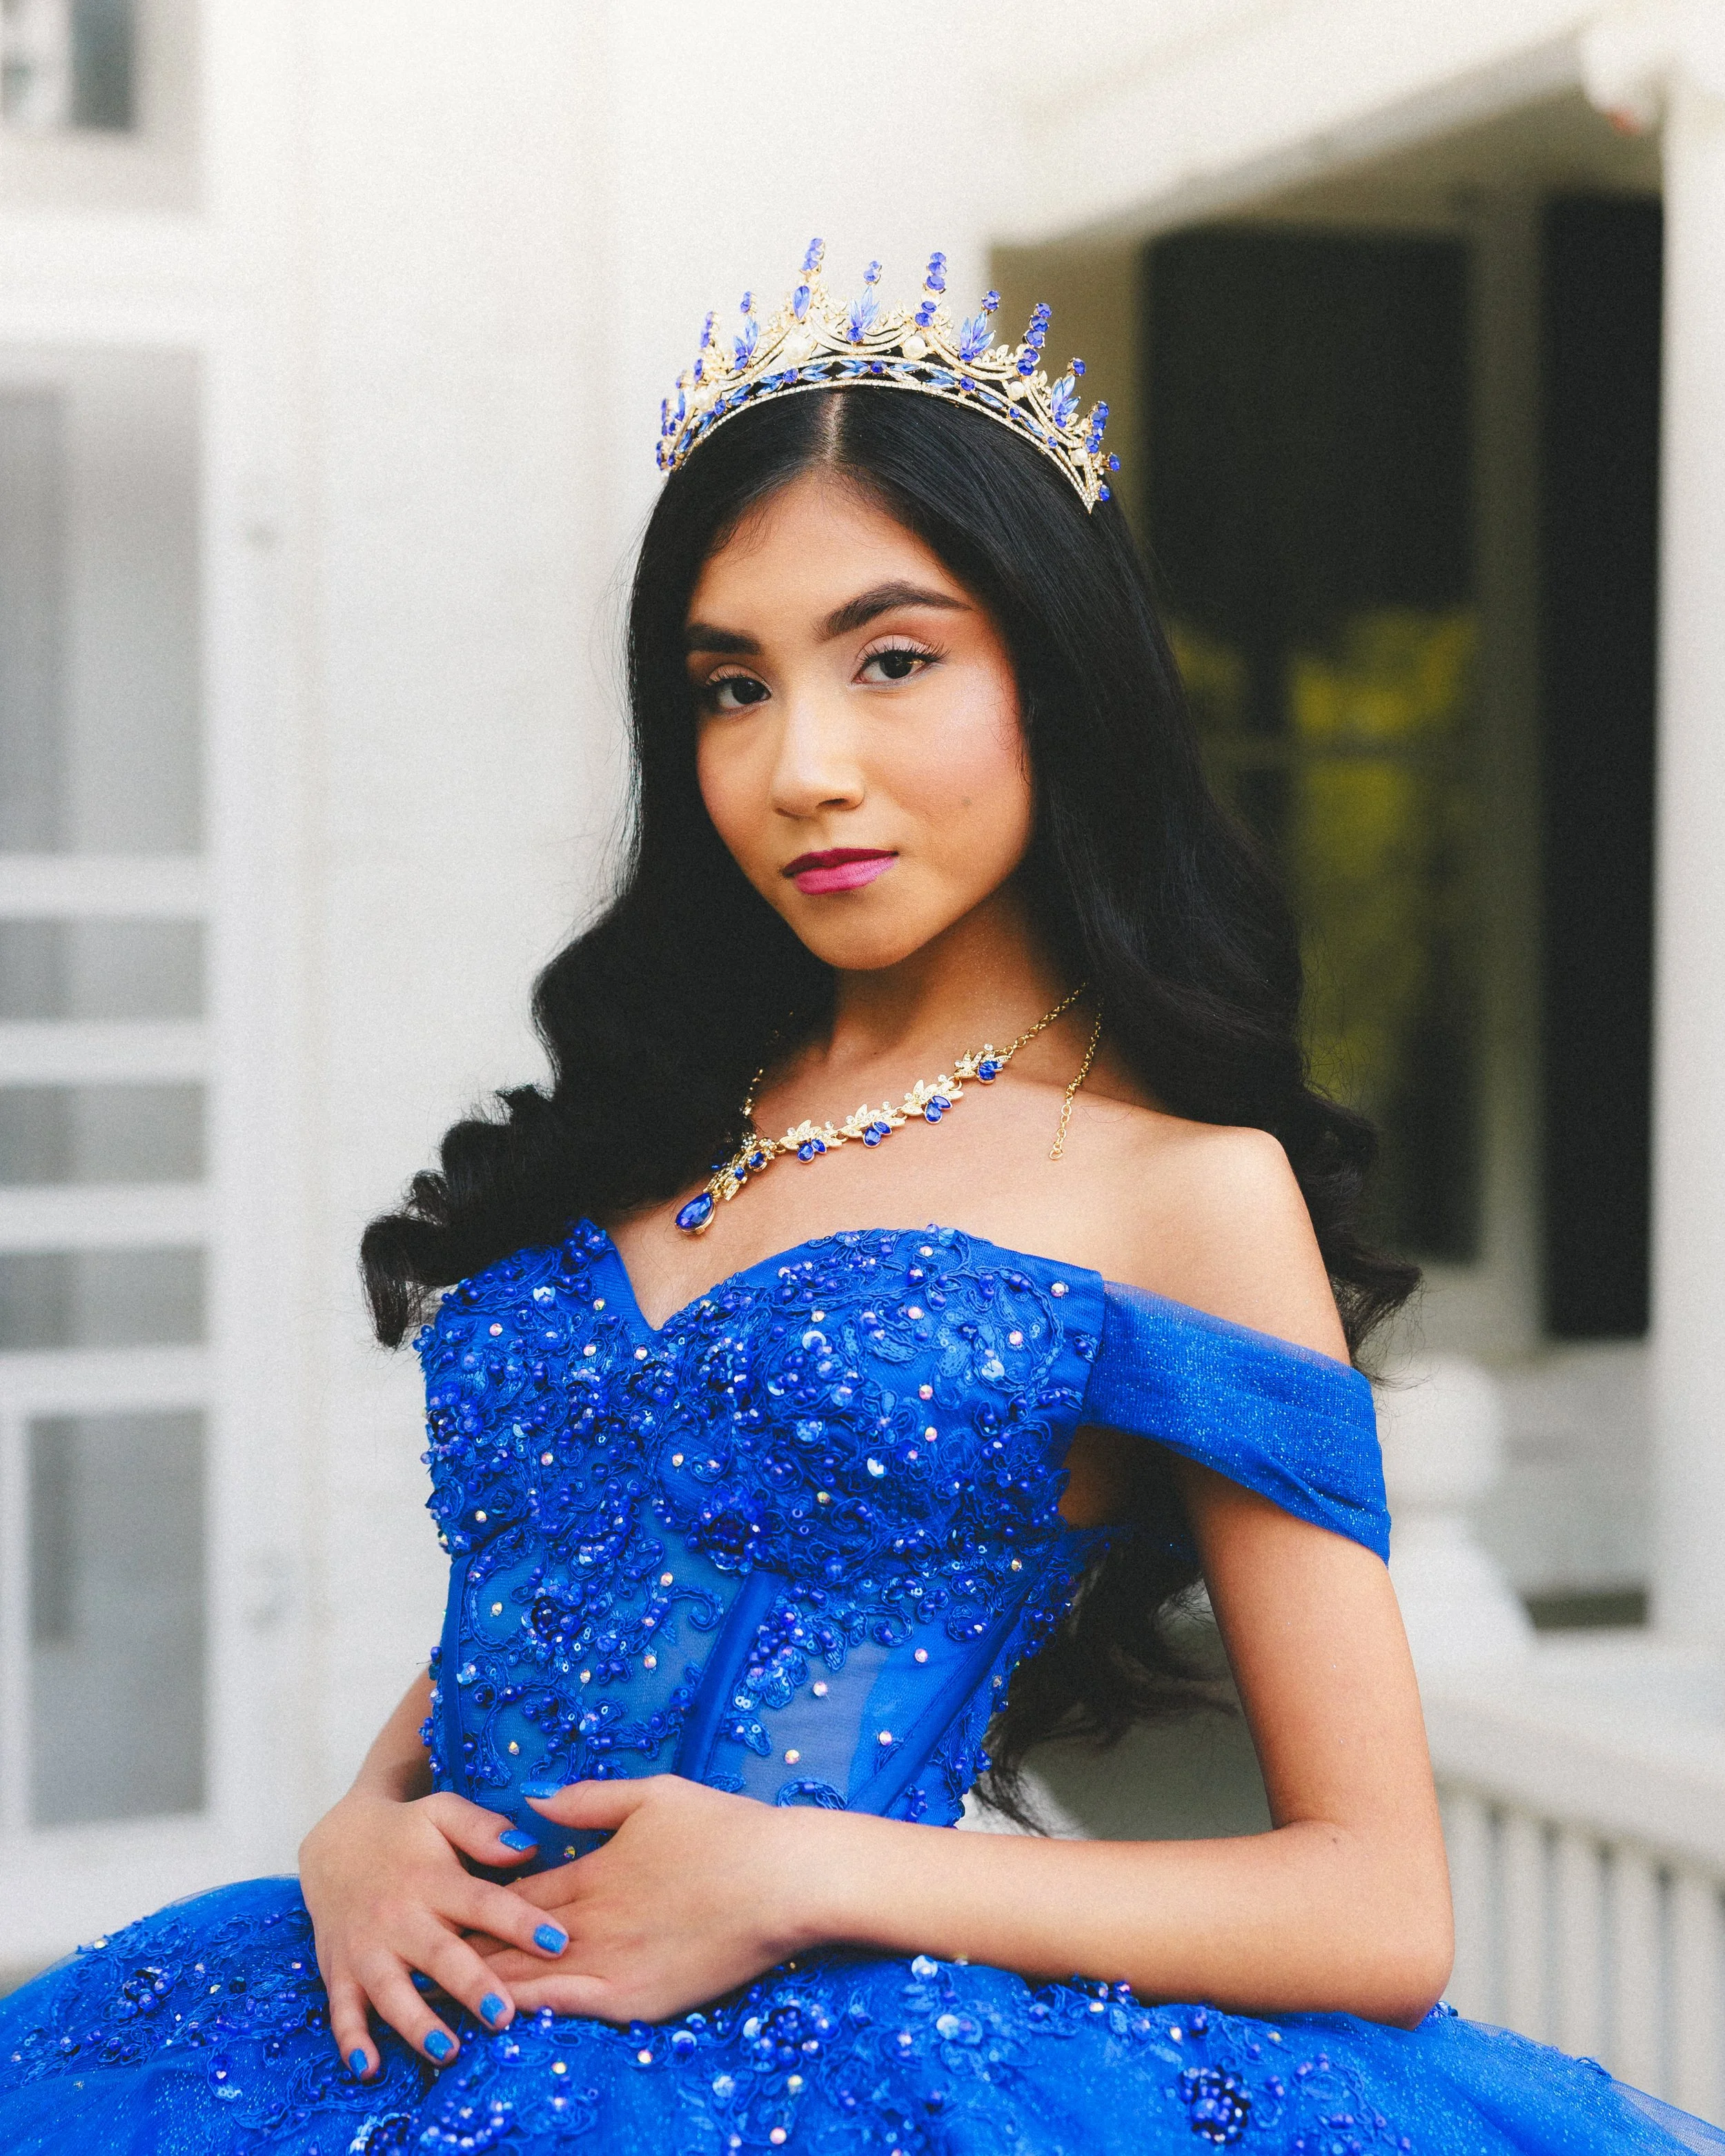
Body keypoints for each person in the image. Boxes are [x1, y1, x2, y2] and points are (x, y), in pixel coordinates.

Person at [0, 244, 1716, 2156]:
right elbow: (574, 1566)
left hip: (850, 2075)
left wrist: (796, 1871)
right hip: (377, 2039)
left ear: (1053, 680)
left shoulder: (1185, 1195)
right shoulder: (654, 1121)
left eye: (891, 656)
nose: (801, 766)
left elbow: (1375, 1905)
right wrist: (356, 1826)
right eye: (730, 687)